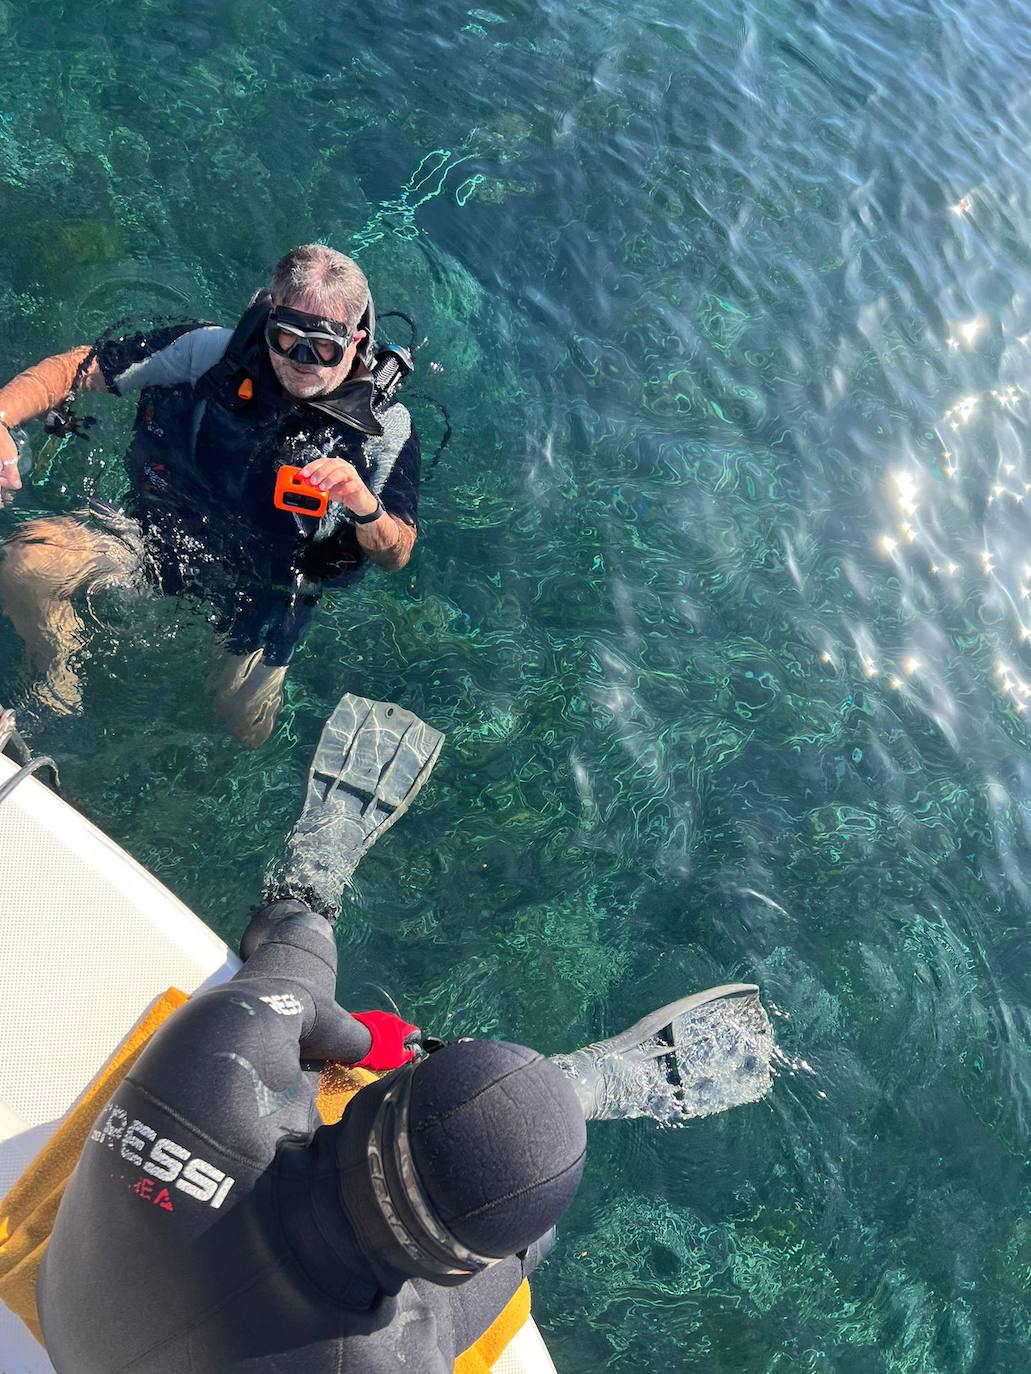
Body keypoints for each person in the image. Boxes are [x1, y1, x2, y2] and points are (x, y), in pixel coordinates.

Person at [0, 244, 420, 746]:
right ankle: (58, 689)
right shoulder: (212, 353)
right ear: (268, 321)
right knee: (25, 564)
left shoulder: (382, 427)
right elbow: (81, 367)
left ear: (356, 341)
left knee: (241, 724)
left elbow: (398, 552)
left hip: (271, 589)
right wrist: (2, 416)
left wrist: (364, 505)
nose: (300, 362)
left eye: (323, 347)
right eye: (286, 338)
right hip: (162, 534)